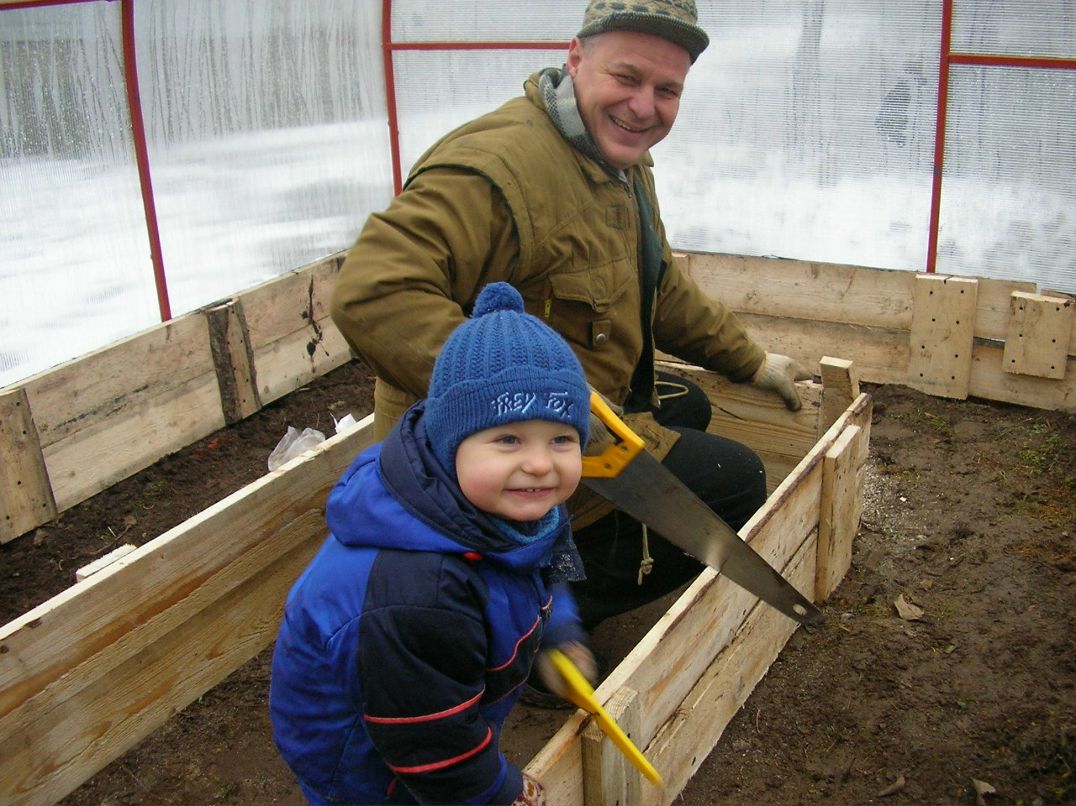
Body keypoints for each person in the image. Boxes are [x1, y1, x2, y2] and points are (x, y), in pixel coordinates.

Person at [330, 0, 810, 683]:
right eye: (628, 77)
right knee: (735, 483)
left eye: (667, 90)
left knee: (690, 405)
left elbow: (658, 285)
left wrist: (751, 360)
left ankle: (562, 575)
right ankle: (516, 629)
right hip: (476, 460)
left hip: (578, 408)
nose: (645, 107)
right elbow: (372, 292)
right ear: (576, 60)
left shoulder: (619, 160)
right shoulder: (495, 170)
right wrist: (525, 400)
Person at [270, 282, 596, 806]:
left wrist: (556, 631)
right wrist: (500, 791)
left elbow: (542, 563)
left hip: (421, 703)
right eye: (508, 439)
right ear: (451, 447)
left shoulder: (515, 504)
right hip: (369, 757)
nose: (540, 463)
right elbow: (430, 743)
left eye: (561, 439)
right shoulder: (421, 590)